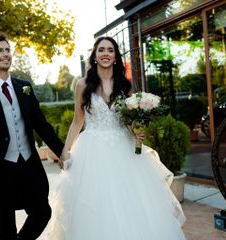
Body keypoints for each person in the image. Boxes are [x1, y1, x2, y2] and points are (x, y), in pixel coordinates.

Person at [43, 36, 186, 240]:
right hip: (91, 151)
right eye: (101, 50)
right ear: (94, 56)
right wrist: (65, 151)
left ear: (116, 56)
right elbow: (77, 121)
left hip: (123, 148)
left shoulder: (124, 85)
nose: (105, 54)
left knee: (132, 203)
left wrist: (137, 132)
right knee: (95, 203)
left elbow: (129, 119)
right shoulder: (83, 85)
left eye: (110, 50)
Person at [0, 33, 64, 240]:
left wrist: (63, 152)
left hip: (28, 164)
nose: (6, 54)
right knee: (6, 225)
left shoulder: (23, 86)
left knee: (42, 212)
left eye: (8, 50)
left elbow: (41, 124)